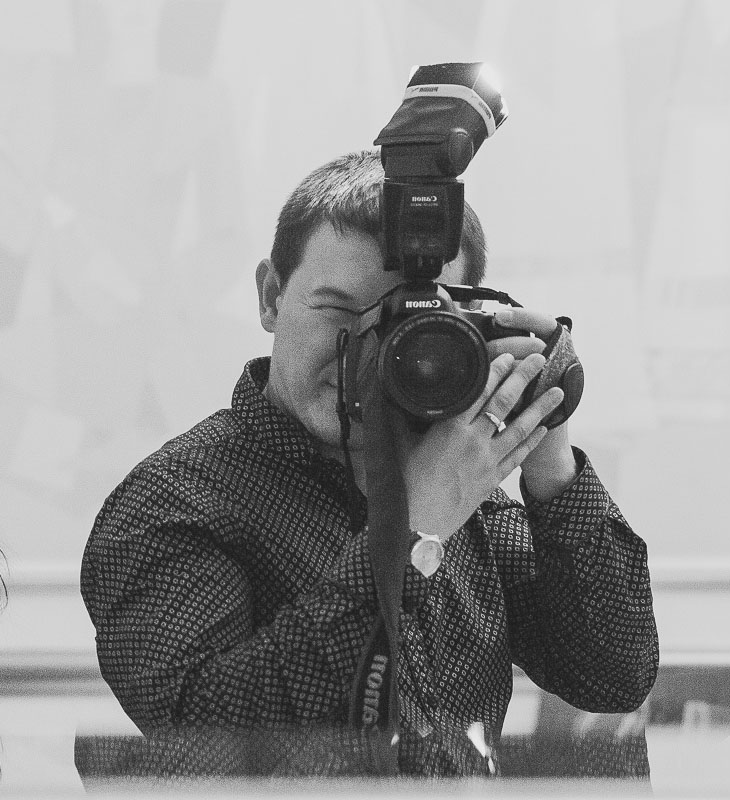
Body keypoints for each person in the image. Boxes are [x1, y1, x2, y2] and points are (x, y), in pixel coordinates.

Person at [81, 149, 658, 778]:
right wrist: (413, 532)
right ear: (271, 296)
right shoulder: (171, 503)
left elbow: (613, 674)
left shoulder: (458, 487)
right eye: (335, 310)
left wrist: (547, 451)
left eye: (403, 324)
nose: (364, 355)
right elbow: (211, 743)